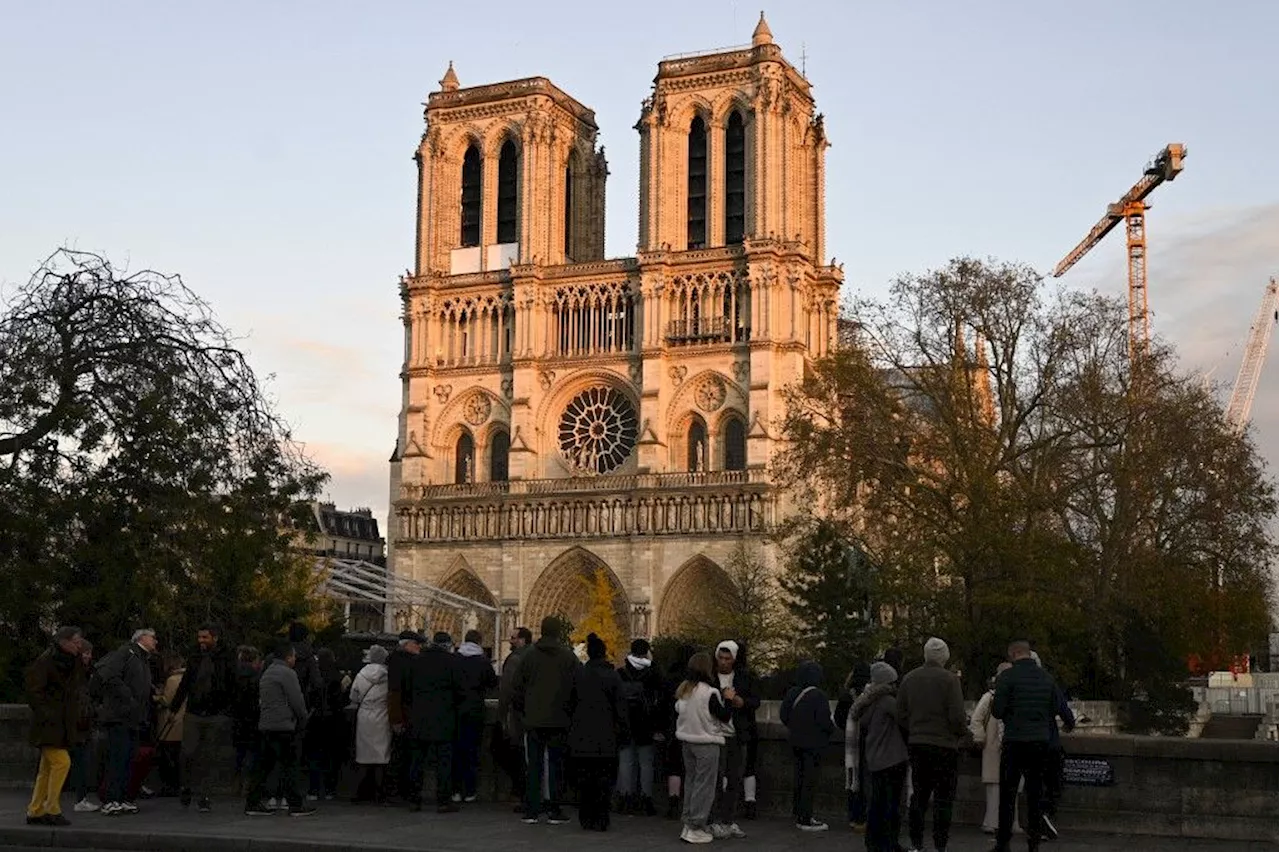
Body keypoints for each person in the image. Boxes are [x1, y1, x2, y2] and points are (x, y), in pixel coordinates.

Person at [896, 636, 967, 852]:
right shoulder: (950, 680)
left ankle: (916, 843)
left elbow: (900, 714)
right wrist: (963, 733)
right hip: (944, 745)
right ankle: (940, 844)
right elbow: (956, 716)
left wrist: (914, 730)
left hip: (918, 743)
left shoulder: (909, 678)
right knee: (943, 799)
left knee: (919, 795)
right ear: (945, 656)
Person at [991, 641, 1058, 852]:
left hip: (1014, 741)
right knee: (1035, 794)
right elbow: (1054, 707)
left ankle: (1003, 843)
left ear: (1012, 654)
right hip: (1039, 742)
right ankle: (1034, 843)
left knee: (1008, 795)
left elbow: (997, 711)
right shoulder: (1046, 678)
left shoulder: (1007, 678)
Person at [512, 616, 579, 825]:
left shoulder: (529, 656)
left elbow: (517, 687)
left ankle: (532, 809)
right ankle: (555, 809)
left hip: (533, 720)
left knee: (534, 765)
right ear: (559, 632)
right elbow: (577, 687)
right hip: (559, 720)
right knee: (556, 765)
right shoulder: (568, 657)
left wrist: (524, 712)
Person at [166, 623, 235, 812]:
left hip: (215, 711)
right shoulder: (196, 657)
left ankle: (205, 794)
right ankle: (186, 786)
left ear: (215, 638)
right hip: (195, 711)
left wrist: (228, 709)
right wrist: (174, 708)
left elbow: (232, 682)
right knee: (187, 752)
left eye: (205, 637)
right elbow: (186, 683)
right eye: (199, 637)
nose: (201, 641)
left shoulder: (225, 657)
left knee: (209, 755)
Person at [244, 643, 315, 817]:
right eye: (293, 656)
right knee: (290, 765)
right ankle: (296, 805)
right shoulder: (288, 673)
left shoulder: (267, 672)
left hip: (267, 724)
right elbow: (296, 700)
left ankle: (252, 802)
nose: (295, 659)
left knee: (264, 766)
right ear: (288, 657)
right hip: (283, 725)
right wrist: (303, 717)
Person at [24, 626, 86, 827]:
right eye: (76, 642)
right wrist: (48, 714)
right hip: (50, 723)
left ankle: (36, 810)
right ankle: (52, 808)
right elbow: (34, 691)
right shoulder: (46, 661)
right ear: (64, 642)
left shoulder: (70, 661)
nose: (79, 645)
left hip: (58, 721)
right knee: (61, 763)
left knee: (47, 767)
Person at [96, 628, 157, 817]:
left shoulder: (141, 658)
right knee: (118, 758)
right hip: (120, 716)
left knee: (128, 759)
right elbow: (108, 674)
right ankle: (111, 799)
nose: (156, 641)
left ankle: (122, 798)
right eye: (153, 637)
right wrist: (128, 697)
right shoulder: (126, 652)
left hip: (133, 718)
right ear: (142, 638)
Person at [570, 633, 627, 831]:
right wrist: (622, 730)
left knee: (585, 780)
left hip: (581, 737)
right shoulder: (613, 676)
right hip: (606, 738)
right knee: (604, 780)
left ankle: (586, 817)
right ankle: (601, 818)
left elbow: (569, 704)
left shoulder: (578, 675)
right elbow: (620, 708)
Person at [674, 651, 732, 845]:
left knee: (691, 783)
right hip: (706, 742)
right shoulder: (709, 692)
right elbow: (723, 716)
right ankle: (696, 825)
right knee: (705, 786)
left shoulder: (684, 690)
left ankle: (688, 822)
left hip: (687, 741)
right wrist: (729, 698)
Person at [404, 631, 464, 814]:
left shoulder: (416, 661)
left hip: (419, 718)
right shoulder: (453, 662)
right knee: (444, 762)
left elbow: (407, 689)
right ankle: (443, 801)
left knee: (417, 761)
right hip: (443, 718)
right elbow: (460, 690)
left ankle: (414, 800)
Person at [854, 662, 909, 852]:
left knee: (876, 805)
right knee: (891, 805)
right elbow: (905, 719)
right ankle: (889, 843)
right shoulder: (887, 701)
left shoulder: (868, 703)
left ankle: (873, 842)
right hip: (893, 758)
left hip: (875, 759)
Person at [780, 660, 835, 832]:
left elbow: (783, 715)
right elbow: (825, 722)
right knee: (809, 781)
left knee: (799, 777)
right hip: (814, 745)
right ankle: (806, 817)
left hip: (795, 742)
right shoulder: (818, 696)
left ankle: (797, 812)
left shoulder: (792, 693)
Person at [712, 640, 758, 832]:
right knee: (716, 780)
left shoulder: (744, 677)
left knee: (734, 778)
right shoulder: (711, 678)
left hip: (736, 734)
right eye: (720, 658)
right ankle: (715, 819)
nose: (723, 663)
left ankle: (728, 819)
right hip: (715, 734)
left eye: (727, 659)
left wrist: (742, 702)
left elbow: (755, 700)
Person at [971, 662, 1021, 835]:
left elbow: (976, 720)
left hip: (1002, 746)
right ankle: (992, 822)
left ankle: (1009, 822)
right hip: (995, 746)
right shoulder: (990, 697)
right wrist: (980, 738)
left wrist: (980, 738)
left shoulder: (992, 697)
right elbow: (976, 720)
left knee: (1010, 786)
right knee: (995, 787)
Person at [616, 637, 663, 816]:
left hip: (625, 722)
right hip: (646, 722)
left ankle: (625, 798)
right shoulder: (654, 673)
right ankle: (646, 799)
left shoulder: (621, 673)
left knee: (626, 762)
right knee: (646, 763)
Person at [1031, 651, 1075, 841]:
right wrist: (1069, 724)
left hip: (1024, 742)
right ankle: (1044, 816)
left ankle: (1037, 820)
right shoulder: (1048, 683)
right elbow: (1064, 710)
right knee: (1051, 783)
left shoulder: (1013, 684)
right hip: (1048, 741)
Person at [453, 629, 499, 803]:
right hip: (475, 709)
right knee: (472, 751)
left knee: (456, 750)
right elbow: (493, 683)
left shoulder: (455, 659)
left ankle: (455, 790)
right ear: (479, 642)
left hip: (456, 709)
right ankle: (470, 790)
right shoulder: (482, 661)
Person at [349, 644, 391, 804]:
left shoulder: (361, 674)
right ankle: (381, 793)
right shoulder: (387, 675)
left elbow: (354, 695)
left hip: (365, 716)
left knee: (363, 755)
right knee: (382, 755)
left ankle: (361, 792)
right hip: (382, 715)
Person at [496, 626, 533, 807]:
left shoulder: (515, 659)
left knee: (513, 751)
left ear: (522, 640)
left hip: (517, 715)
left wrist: (502, 716)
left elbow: (506, 691)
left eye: (513, 638)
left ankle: (519, 792)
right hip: (536, 714)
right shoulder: (536, 656)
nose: (510, 641)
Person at [385, 629, 423, 802]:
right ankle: (396, 791)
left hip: (407, 713)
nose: (419, 647)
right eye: (416, 644)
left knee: (404, 754)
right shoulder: (401, 663)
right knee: (401, 754)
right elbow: (395, 693)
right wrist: (396, 719)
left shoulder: (399, 660)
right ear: (406, 645)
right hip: (404, 715)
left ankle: (400, 790)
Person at [306, 648, 347, 801]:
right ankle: (330, 789)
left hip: (316, 719)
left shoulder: (315, 676)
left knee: (315, 756)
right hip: (334, 719)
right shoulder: (338, 675)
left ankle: (313, 789)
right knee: (332, 756)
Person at [839, 661, 872, 831]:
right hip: (870, 743)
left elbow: (838, 719)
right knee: (868, 781)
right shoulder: (871, 694)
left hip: (852, 745)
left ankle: (854, 817)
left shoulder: (847, 695)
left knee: (853, 780)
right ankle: (867, 817)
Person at [68, 640, 99, 814]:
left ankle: (81, 797)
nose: (88, 656)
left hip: (82, 723)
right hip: (79, 723)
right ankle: (80, 799)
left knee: (80, 763)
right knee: (80, 762)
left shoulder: (85, 673)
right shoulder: (78, 674)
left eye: (89, 653)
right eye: (85, 653)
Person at [230, 646, 263, 796]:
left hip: (237, 717)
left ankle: (236, 783)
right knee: (253, 752)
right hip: (253, 717)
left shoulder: (234, 675)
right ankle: (248, 784)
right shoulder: (257, 676)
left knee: (239, 752)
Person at [155, 652, 186, 798]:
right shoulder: (186, 678)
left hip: (171, 722)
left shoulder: (173, 680)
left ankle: (170, 786)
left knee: (168, 756)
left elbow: (167, 701)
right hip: (183, 721)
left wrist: (157, 696)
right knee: (177, 755)